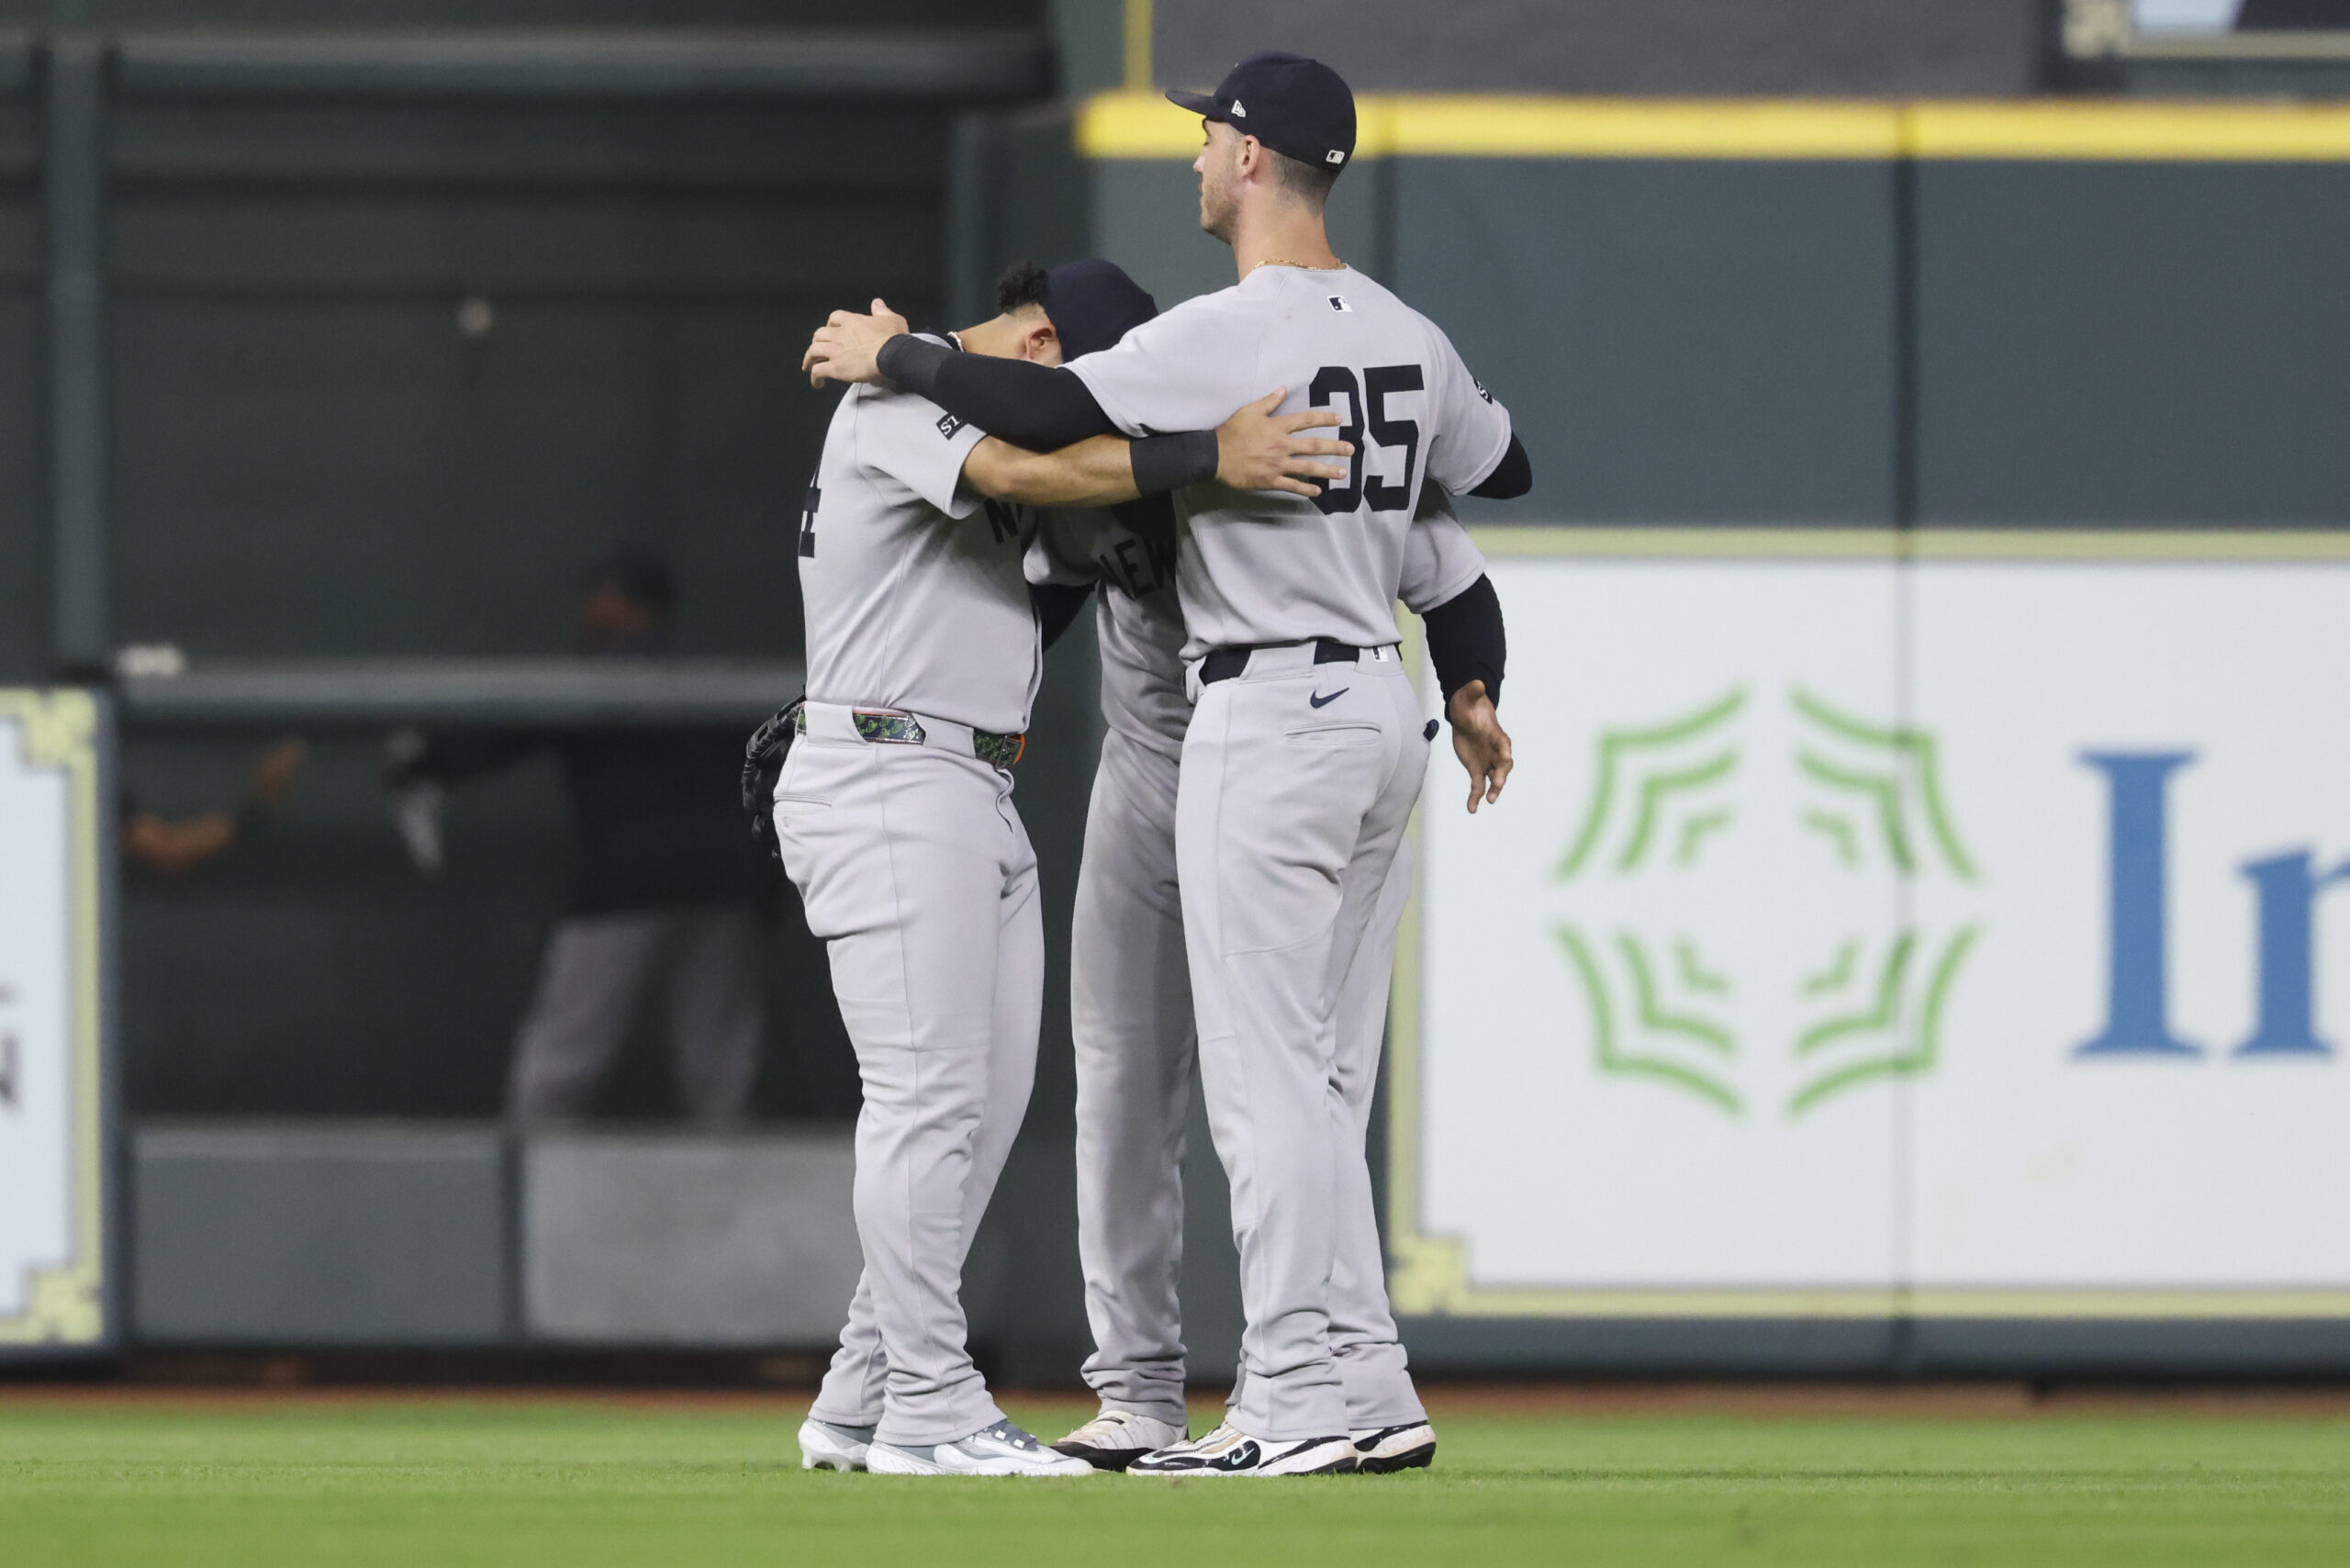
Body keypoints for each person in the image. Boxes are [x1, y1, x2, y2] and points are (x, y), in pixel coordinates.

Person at [803, 49, 1528, 1476]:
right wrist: (1466, 666)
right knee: (1212, 1082)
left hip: (1268, 726)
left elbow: (1043, 427)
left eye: (1209, 138)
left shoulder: (1225, 341)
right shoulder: (1389, 336)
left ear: (1253, 156)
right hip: (1281, 732)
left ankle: (1304, 1392)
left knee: (1275, 1087)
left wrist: (894, 351)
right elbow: (1490, 486)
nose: (1194, 157)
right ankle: (1239, 1385)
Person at [782, 259, 1355, 1478]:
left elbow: (1050, 553)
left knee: (976, 1122)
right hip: (889, 771)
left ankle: (860, 1391)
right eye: (1086, 382)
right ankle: (932, 1409)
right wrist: (1205, 452)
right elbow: (1027, 470)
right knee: (929, 1106)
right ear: (1040, 343)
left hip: (963, 780)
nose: (1095, 407)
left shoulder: (936, 387)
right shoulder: (899, 399)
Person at [1030, 479, 1511, 1476]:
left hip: (1273, 752)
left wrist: (1473, 683)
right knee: (1143, 1076)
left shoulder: (1279, 448)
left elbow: (1466, 563)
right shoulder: (1086, 459)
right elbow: (1035, 598)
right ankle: (1179, 1387)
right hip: (1161, 763)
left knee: (1298, 1076)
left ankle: (1318, 1386)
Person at [384, 545, 770, 1126]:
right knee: (719, 1069)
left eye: (596, 597)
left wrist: (424, 759)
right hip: (729, 883)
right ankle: (736, 1204)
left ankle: (528, 1194)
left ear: (620, 602)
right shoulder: (715, 680)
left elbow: (511, 728)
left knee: (564, 1061)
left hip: (631, 880)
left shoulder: (600, 679)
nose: (585, 611)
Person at [120, 738, 307, 877]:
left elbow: (167, 848)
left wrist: (257, 810)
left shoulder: (99, 783)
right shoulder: (94, 781)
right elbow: (166, 851)